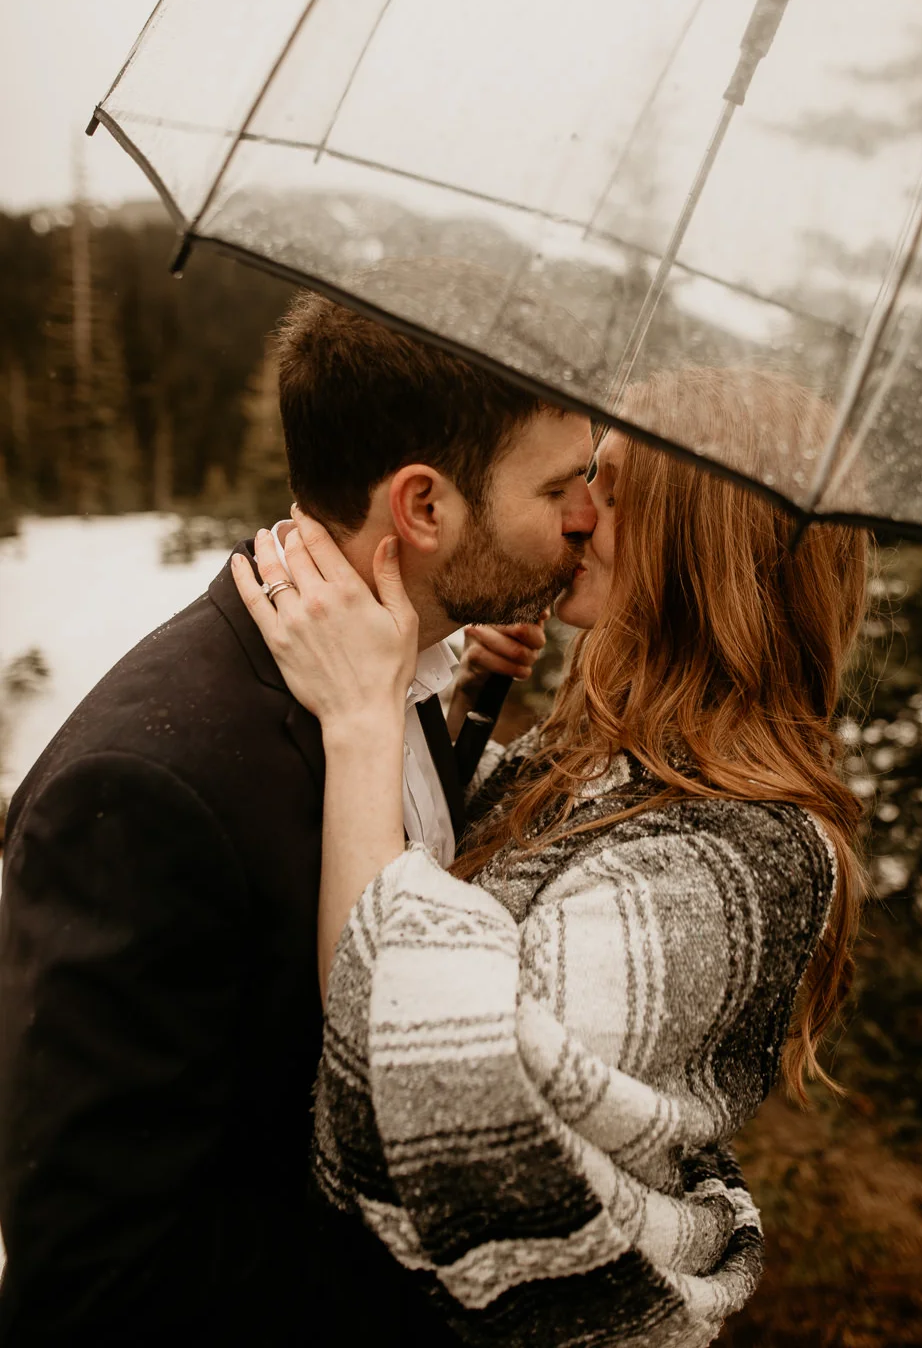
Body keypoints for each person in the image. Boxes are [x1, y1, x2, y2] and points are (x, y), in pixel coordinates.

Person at [0, 285, 595, 1348]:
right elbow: (97, 1283)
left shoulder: (393, 664)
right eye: (559, 486)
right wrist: (445, 1277)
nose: (586, 514)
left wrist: (462, 701)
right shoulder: (140, 790)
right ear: (423, 507)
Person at [234, 364, 871, 1346]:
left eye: (606, 488)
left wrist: (363, 718)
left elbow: (441, 1093)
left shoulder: (746, 850)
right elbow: (469, 880)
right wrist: (448, 707)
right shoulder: (609, 751)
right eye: (574, 481)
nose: (574, 514)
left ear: (694, 543)